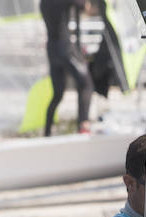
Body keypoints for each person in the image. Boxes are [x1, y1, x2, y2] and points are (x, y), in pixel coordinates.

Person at [40, 0, 92, 136]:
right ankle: (83, 125)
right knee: (86, 84)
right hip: (65, 48)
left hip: (52, 49)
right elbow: (86, 7)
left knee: (58, 93)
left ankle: (47, 132)